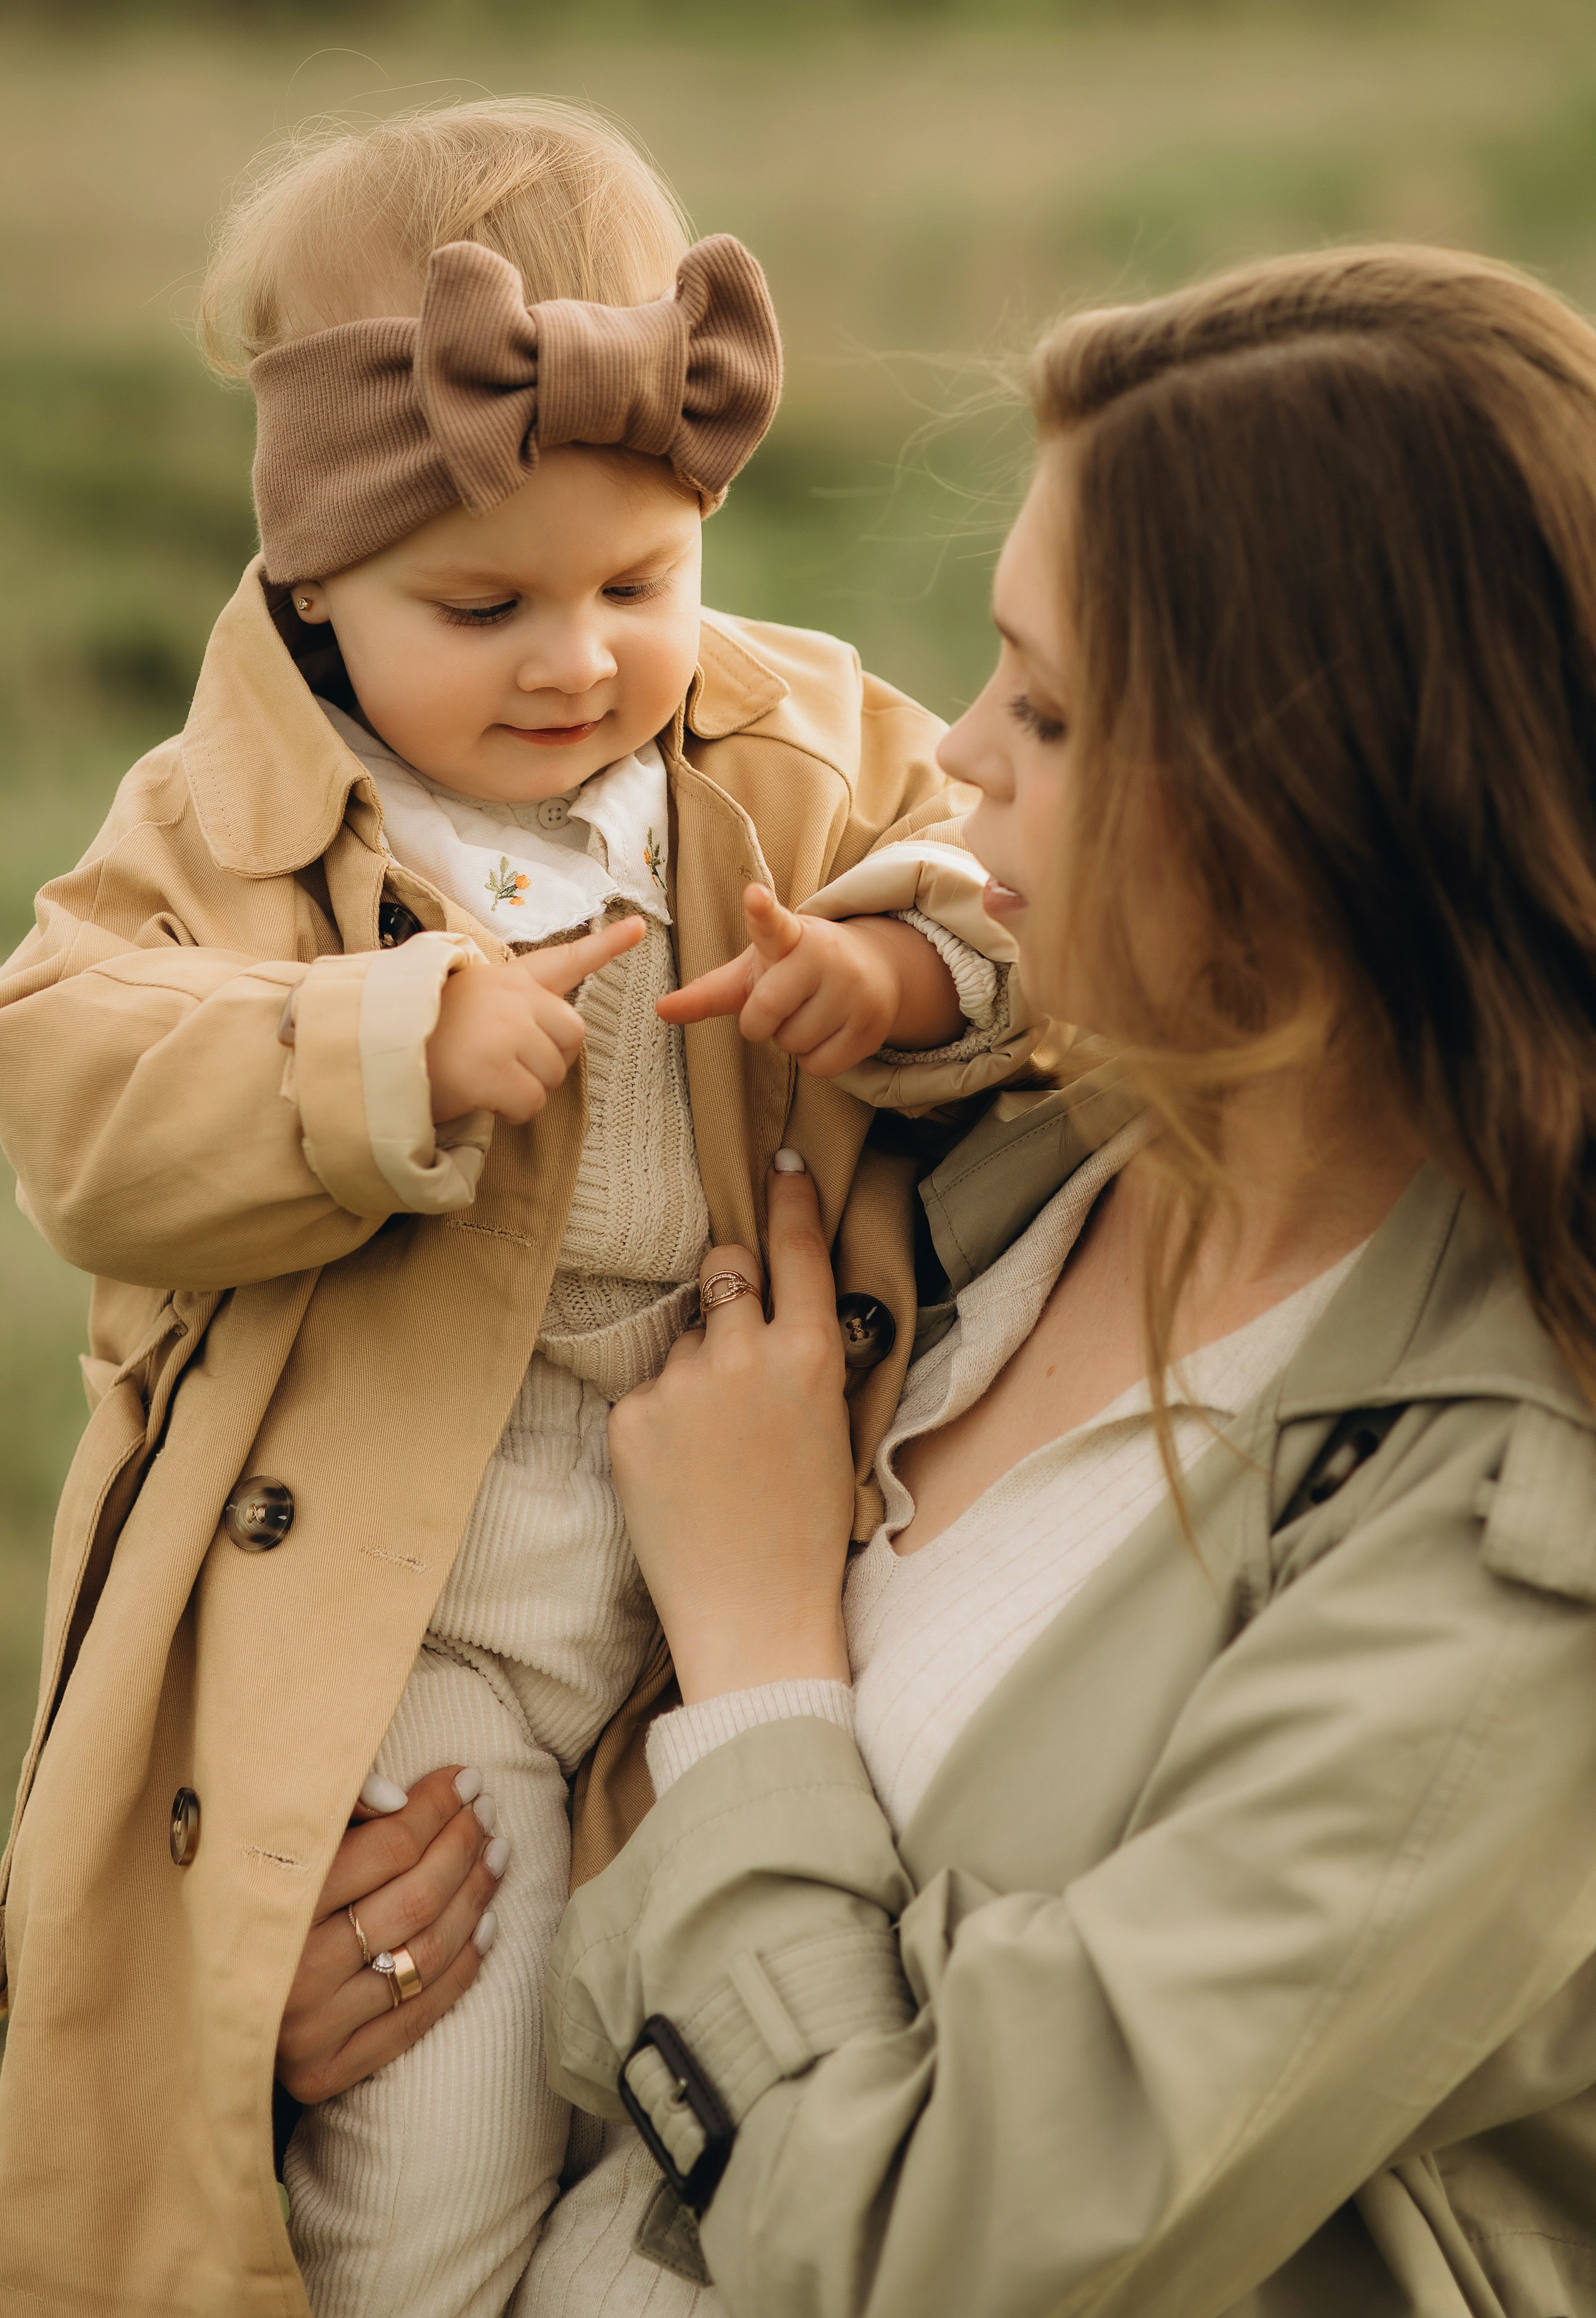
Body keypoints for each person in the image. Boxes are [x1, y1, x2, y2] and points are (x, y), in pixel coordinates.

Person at [0, 99, 1037, 2318]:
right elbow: (76, 1081)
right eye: (483, 605)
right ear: (312, 584)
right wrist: (380, 1046)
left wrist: (904, 967)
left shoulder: (785, 744)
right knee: (436, 2156)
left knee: (707, 2116)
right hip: (417, 1626)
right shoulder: (230, 825)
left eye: (638, 586)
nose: (577, 659)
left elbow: (1024, 885)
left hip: (732, 1576)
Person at [530, 243, 1596, 2315]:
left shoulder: (1512, 1550)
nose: (957, 756)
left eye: (1049, 707)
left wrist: (755, 1666)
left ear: (1312, 809)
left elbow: (930, 2252)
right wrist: (375, 1964)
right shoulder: (990, 1163)